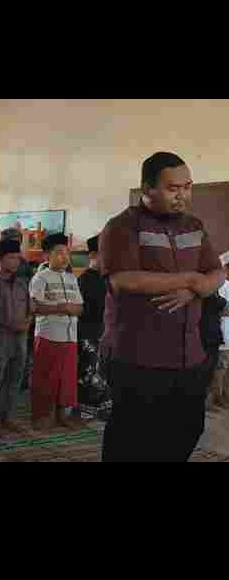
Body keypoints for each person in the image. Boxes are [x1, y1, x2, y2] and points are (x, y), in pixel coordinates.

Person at [99, 152, 224, 462]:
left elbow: (216, 272)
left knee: (186, 430)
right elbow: (124, 279)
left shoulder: (194, 226)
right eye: (172, 188)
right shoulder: (122, 226)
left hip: (189, 355)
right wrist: (191, 280)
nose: (182, 195)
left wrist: (196, 289)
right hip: (138, 357)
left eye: (187, 186)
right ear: (148, 189)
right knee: (133, 440)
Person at [29, 233, 83, 431]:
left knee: (66, 379)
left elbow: (79, 307)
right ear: (47, 256)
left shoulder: (72, 278)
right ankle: (41, 416)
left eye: (67, 253)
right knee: (45, 378)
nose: (65, 257)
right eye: (59, 253)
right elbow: (34, 307)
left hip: (70, 336)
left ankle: (62, 416)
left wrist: (71, 309)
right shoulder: (40, 278)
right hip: (48, 335)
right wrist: (62, 308)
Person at [0, 238, 32, 439]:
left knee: (15, 379)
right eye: (11, 258)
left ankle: (8, 417)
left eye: (17, 258)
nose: (15, 262)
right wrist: (13, 325)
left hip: (20, 338)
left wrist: (27, 322)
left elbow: (29, 308)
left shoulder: (22, 283)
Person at [76, 234, 111, 420]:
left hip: (105, 331)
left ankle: (103, 408)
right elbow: (84, 310)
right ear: (93, 255)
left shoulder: (107, 278)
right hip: (88, 332)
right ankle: (85, 410)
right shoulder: (85, 279)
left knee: (104, 370)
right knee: (89, 371)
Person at [213, 254, 229, 409]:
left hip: (226, 336)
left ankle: (224, 396)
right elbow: (220, 309)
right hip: (223, 335)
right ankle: (217, 397)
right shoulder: (221, 286)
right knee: (220, 368)